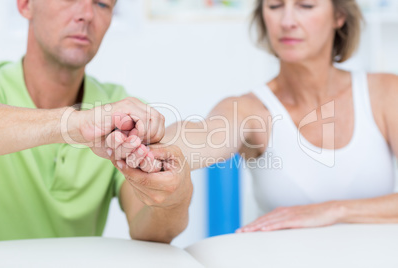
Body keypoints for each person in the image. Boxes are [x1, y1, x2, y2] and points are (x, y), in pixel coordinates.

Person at [112, 0, 398, 232]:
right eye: (274, 6)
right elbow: (204, 134)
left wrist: (335, 211)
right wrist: (150, 146)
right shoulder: (252, 109)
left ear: (339, 15)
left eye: (306, 6)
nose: (287, 21)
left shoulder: (385, 93)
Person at [0, 0, 193, 243]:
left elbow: (149, 231)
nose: (87, 15)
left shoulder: (123, 110)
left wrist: (174, 198)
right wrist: (75, 124)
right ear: (25, 5)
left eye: (102, 4)